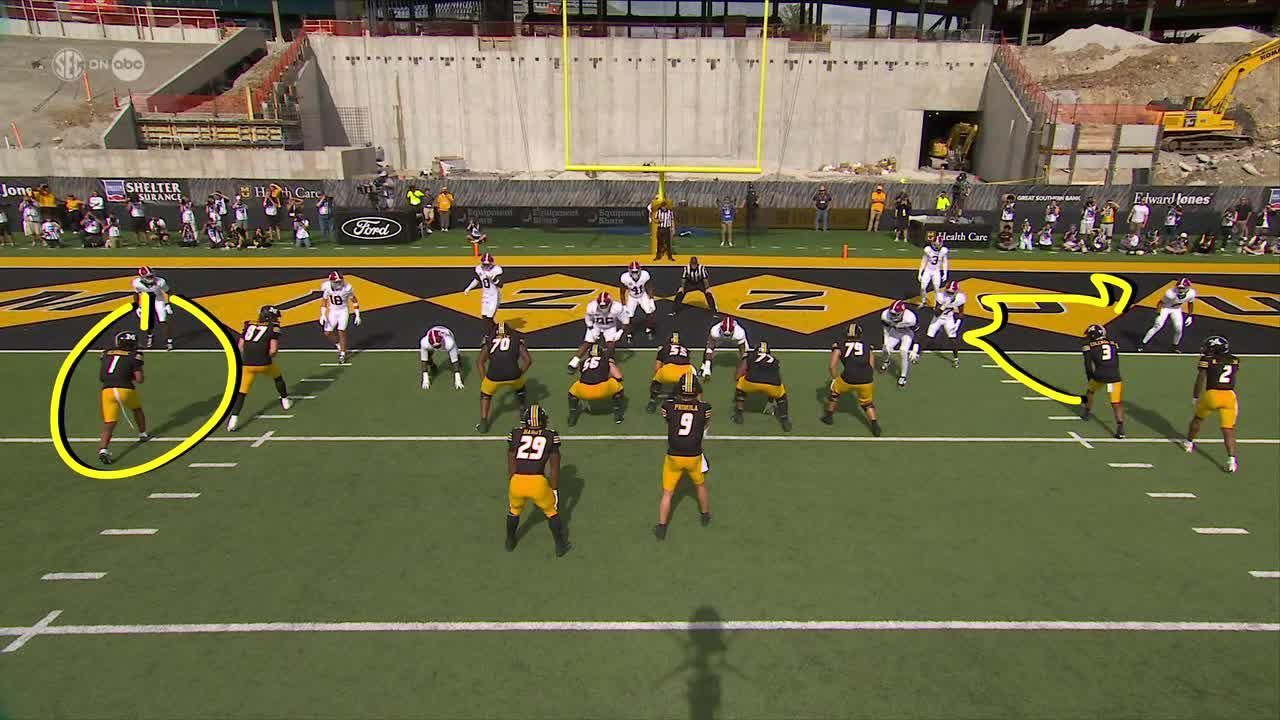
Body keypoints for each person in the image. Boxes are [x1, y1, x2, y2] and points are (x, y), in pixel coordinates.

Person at [504, 405, 571, 556]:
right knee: (551, 512)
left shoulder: (516, 433)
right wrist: (554, 489)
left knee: (514, 511)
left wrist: (513, 479)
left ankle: (510, 541)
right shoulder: (550, 436)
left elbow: (511, 458)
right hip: (537, 483)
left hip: (517, 481)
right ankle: (560, 545)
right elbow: (554, 468)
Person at [654, 372, 712, 540]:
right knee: (700, 485)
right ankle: (705, 514)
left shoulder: (668, 406)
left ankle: (662, 527)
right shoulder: (705, 408)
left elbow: (669, 420)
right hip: (694, 456)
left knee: (667, 493)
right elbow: (704, 424)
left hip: (674, 455)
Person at [226, 306, 294, 432]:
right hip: (264, 363)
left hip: (247, 364)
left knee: (242, 392)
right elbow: (273, 350)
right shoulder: (273, 327)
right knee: (277, 377)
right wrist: (267, 356)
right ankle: (285, 400)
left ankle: (233, 419)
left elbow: (240, 346)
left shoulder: (248, 324)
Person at [1184, 336, 1239, 473]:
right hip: (1229, 396)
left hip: (1212, 395)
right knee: (1228, 429)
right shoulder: (1234, 360)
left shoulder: (1207, 360)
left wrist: (1195, 396)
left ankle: (1189, 443)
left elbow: (1201, 378)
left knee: (1198, 418)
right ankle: (1231, 460)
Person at [97, 331, 149, 465]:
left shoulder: (106, 352)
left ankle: (103, 449)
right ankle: (143, 433)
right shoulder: (135, 355)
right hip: (125, 389)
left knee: (109, 422)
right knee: (137, 409)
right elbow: (139, 379)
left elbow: (102, 376)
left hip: (107, 390)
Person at [822, 323, 881, 434]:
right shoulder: (867, 345)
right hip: (866, 379)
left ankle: (828, 416)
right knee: (867, 404)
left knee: (834, 393)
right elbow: (871, 363)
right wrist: (868, 375)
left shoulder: (839, 345)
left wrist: (835, 379)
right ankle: (875, 426)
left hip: (848, 378)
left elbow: (832, 366)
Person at [476, 322, 531, 434]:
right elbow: (528, 360)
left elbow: (480, 362)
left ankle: (484, 422)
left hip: (494, 376)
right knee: (520, 388)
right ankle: (522, 411)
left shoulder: (489, 341)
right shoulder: (517, 341)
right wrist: (520, 372)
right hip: (513, 375)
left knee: (485, 395)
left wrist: (484, 380)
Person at [732, 340, 791, 432]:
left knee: (740, 384)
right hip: (773, 386)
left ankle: (739, 413)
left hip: (751, 383)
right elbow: (777, 377)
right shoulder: (775, 360)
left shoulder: (750, 356)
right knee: (781, 395)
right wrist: (771, 398)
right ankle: (784, 419)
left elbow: (738, 375)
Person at [1080, 324, 1125, 439]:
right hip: (1114, 376)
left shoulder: (1088, 347)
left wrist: (1090, 378)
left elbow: (1088, 365)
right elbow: (1115, 360)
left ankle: (1087, 411)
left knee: (1090, 391)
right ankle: (1120, 428)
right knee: (1116, 403)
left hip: (1100, 375)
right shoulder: (1113, 344)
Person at [567, 343, 625, 426]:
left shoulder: (583, 362)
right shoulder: (606, 360)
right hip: (603, 389)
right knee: (618, 386)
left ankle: (572, 414)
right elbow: (619, 376)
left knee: (573, 390)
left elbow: (585, 376)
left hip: (584, 391)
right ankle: (618, 413)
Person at [567, 291, 625, 373]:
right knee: (587, 342)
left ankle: (605, 361)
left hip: (610, 327)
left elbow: (626, 322)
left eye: (605, 305)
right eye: (601, 306)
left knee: (611, 345)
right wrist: (592, 330)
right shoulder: (592, 307)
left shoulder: (617, 307)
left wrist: (620, 332)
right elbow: (588, 319)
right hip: (596, 326)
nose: (603, 307)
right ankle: (574, 361)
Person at [1139, 277, 1195, 353]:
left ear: (1187, 287)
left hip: (1176, 309)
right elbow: (1160, 303)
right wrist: (1158, 313)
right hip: (1165, 308)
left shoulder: (1191, 293)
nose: (1180, 290)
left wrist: (1190, 315)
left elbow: (1190, 303)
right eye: (1179, 288)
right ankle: (1143, 344)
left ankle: (1174, 347)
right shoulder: (1170, 293)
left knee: (1179, 328)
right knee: (1157, 326)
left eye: (1182, 288)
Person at [648, 332, 696, 413]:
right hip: (685, 372)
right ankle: (687, 400)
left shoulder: (664, 348)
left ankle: (652, 401)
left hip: (669, 370)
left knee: (656, 379)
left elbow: (657, 368)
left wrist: (660, 376)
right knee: (690, 378)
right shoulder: (686, 350)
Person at [319, 270, 361, 364]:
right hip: (333, 311)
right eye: (336, 282)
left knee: (341, 331)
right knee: (327, 332)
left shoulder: (347, 288)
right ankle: (338, 345)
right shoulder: (327, 287)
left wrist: (357, 314)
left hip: (343, 311)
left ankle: (342, 353)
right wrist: (323, 314)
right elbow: (324, 301)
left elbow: (354, 301)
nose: (338, 284)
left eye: (339, 281)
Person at [923, 280, 965, 368]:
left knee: (953, 339)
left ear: (956, 292)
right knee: (929, 336)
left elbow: (961, 312)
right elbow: (936, 313)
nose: (949, 294)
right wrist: (944, 305)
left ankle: (956, 358)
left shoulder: (960, 298)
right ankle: (917, 353)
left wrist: (958, 323)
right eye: (948, 292)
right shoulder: (941, 296)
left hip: (949, 319)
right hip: (938, 318)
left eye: (951, 292)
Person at [879, 300, 918, 388]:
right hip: (895, 332)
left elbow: (917, 333)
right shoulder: (885, 315)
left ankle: (903, 376)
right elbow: (886, 330)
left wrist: (915, 349)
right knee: (885, 349)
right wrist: (885, 342)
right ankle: (886, 361)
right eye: (892, 314)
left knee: (903, 351)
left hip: (907, 333)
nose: (893, 316)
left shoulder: (910, 318)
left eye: (896, 314)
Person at [132, 266, 173, 350]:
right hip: (146, 300)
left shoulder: (160, 281)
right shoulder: (136, 283)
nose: (151, 278)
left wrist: (168, 303)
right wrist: (138, 306)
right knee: (148, 320)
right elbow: (136, 293)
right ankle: (150, 337)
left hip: (158, 300)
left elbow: (168, 292)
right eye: (148, 277)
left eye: (151, 276)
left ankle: (169, 341)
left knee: (163, 320)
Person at [464, 252, 503, 337]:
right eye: (484, 264)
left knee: (489, 317)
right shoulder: (479, 269)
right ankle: (497, 331)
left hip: (494, 296)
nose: (485, 266)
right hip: (485, 295)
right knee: (484, 317)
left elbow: (501, 285)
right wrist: (469, 288)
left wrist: (493, 278)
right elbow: (477, 279)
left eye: (487, 264)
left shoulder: (496, 270)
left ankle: (492, 334)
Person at [619, 260, 656, 343]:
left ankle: (649, 329)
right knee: (628, 317)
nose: (635, 273)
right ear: (629, 271)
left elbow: (649, 286)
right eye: (633, 272)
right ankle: (629, 333)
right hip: (632, 297)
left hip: (643, 296)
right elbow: (622, 292)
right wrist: (624, 305)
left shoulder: (645, 275)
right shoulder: (625, 278)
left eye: (636, 271)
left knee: (650, 313)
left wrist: (651, 299)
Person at [701, 316, 749, 380]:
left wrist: (742, 368)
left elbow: (743, 352)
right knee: (708, 346)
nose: (727, 336)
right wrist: (707, 369)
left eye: (728, 335)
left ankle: (748, 368)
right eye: (725, 334)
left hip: (734, 338)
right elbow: (709, 348)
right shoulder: (715, 331)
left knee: (746, 352)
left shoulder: (739, 333)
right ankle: (704, 365)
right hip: (720, 338)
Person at [418, 325, 464, 390]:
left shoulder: (449, 342)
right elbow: (424, 360)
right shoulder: (424, 343)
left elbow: (455, 361)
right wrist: (425, 379)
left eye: (438, 346)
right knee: (428, 357)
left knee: (457, 358)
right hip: (433, 340)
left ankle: (459, 367)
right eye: (435, 347)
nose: (437, 348)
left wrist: (458, 379)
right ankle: (432, 365)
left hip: (448, 333)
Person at [917, 236, 948, 307]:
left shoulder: (944, 250)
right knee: (923, 287)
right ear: (932, 243)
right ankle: (923, 301)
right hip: (928, 270)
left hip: (936, 271)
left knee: (937, 289)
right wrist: (920, 272)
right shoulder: (927, 249)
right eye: (936, 245)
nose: (937, 246)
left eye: (939, 244)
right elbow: (923, 261)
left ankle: (937, 304)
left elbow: (945, 262)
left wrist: (945, 273)